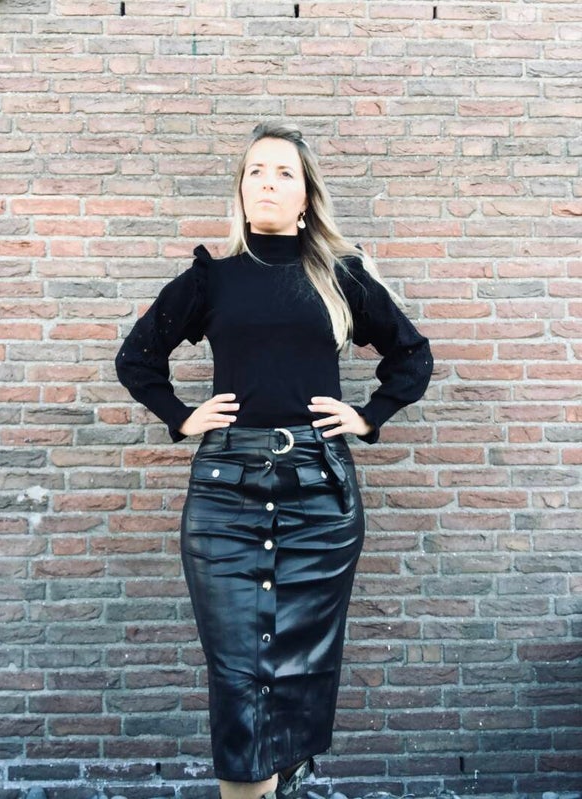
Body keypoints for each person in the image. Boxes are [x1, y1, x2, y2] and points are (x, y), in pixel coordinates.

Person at [115, 121, 433, 799]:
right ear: (240, 190)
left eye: (284, 172)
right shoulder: (213, 280)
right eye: (255, 170)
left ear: (306, 198)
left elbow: (412, 355)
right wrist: (181, 415)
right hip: (225, 497)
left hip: (320, 497)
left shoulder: (341, 277)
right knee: (239, 676)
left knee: (299, 672)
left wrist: (368, 415)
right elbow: (137, 358)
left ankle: (288, 778)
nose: (267, 182)